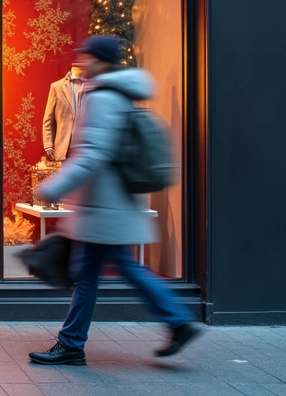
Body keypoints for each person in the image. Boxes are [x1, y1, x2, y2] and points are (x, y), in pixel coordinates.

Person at [28, 36, 200, 366]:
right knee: (103, 271)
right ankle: (173, 322)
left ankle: (74, 343)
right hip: (107, 205)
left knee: (100, 272)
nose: (82, 60)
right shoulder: (117, 95)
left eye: (88, 56)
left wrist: (52, 187)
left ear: (102, 61)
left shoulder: (103, 97)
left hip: (102, 207)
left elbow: (93, 154)